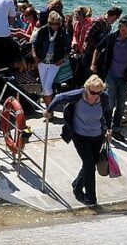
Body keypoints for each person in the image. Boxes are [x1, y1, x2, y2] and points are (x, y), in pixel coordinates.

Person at [45, 75, 113, 207]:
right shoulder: (78, 95)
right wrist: (48, 110)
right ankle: (91, 198)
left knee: (90, 164)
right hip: (80, 136)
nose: (95, 95)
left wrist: (109, 128)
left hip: (97, 136)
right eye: (92, 92)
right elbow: (59, 97)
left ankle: (77, 186)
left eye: (98, 92)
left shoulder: (104, 97)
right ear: (86, 89)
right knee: (89, 165)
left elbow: (108, 112)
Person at [91, 15, 127, 141]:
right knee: (110, 103)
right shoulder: (111, 38)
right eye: (123, 30)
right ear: (119, 28)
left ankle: (116, 129)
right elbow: (98, 48)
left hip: (125, 77)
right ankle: (104, 128)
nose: (125, 33)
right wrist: (93, 63)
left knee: (121, 105)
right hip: (111, 75)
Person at [32, 11, 70, 106]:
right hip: (42, 61)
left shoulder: (62, 32)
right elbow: (34, 44)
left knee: (47, 86)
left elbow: (68, 48)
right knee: (45, 87)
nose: (55, 26)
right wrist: (35, 56)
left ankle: (49, 110)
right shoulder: (43, 30)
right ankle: (49, 109)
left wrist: (62, 59)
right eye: (52, 24)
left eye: (57, 24)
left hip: (55, 62)